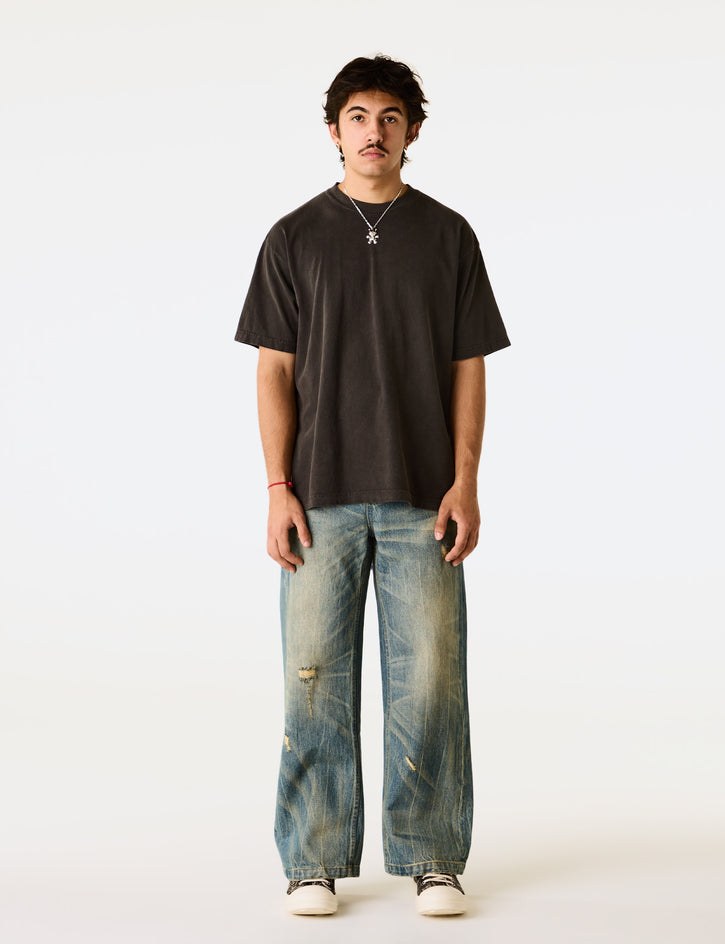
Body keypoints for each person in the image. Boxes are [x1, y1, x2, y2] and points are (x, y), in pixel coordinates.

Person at [235, 55, 510, 917]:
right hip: (318, 496)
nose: (373, 132)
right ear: (334, 130)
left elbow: (469, 367)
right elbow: (273, 370)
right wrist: (277, 486)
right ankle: (312, 861)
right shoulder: (293, 237)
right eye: (357, 116)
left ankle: (433, 857)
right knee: (313, 678)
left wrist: (466, 481)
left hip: (423, 497)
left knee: (431, 680)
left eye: (390, 117)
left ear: (412, 131)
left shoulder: (449, 236)